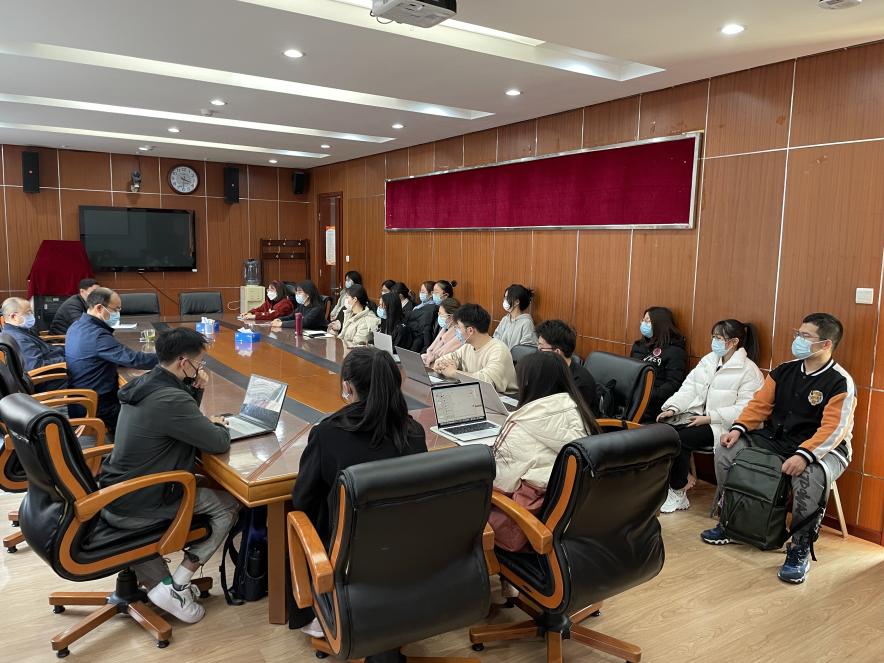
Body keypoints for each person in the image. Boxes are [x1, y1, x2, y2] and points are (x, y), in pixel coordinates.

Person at [290, 347, 427, 655]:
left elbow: (302, 498)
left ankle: (318, 611)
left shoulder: (327, 434)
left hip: (348, 559)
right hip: (409, 556)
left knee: (304, 517)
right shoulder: (414, 432)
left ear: (348, 387)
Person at [701, 313, 855, 585]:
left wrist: (804, 455)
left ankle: (800, 546)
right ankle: (731, 521)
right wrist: (738, 429)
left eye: (805, 336)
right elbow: (759, 406)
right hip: (778, 438)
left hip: (825, 449)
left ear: (825, 344)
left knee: (810, 474)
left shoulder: (840, 381)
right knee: (727, 450)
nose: (798, 339)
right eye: (798, 333)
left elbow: (834, 429)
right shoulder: (784, 370)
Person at [99, 328, 239, 623]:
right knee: (228, 505)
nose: (200, 369)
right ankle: (178, 584)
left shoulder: (147, 382)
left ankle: (165, 580)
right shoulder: (170, 399)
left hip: (117, 491)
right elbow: (217, 442)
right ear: (183, 362)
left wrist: (196, 393)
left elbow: (180, 420)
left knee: (202, 482)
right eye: (199, 363)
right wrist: (219, 426)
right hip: (141, 501)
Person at [489, 351, 600, 551]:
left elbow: (498, 482)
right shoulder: (580, 412)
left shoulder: (521, 422)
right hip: (573, 524)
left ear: (527, 384)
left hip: (526, 528)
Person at [656, 319, 764, 513]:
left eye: (719, 338)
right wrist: (673, 408)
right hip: (697, 415)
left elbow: (746, 409)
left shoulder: (749, 371)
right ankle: (681, 477)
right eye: (713, 337)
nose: (715, 341)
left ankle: (679, 490)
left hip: (723, 425)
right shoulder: (709, 360)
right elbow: (689, 388)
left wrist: (710, 417)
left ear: (734, 342)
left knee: (680, 439)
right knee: (662, 432)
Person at [64, 288, 158, 431]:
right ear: (99, 308)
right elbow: (135, 360)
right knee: (153, 414)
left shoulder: (76, 326)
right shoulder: (97, 335)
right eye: (116, 309)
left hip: (80, 401)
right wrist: (169, 357)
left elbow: (108, 356)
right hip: (97, 408)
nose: (118, 314)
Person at [433, 303, 517, 393]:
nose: (456, 331)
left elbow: (487, 382)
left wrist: (454, 373)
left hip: (501, 397)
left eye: (458, 327)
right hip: (475, 392)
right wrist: (441, 364)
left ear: (470, 330)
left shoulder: (498, 350)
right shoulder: (468, 346)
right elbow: (447, 358)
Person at [630, 307, 688, 422]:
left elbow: (673, 384)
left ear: (659, 324)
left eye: (647, 321)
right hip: (631, 397)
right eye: (643, 320)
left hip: (652, 404)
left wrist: (647, 394)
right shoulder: (639, 345)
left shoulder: (675, 351)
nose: (643, 324)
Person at [535, 319, 599, 416]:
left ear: (557, 352)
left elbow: (569, 417)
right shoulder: (549, 369)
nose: (537, 352)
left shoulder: (581, 382)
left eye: (541, 348)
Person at [1, 297, 66, 390]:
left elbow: (44, 348)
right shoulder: (19, 339)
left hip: (54, 365)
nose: (31, 315)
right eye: (28, 312)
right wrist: (67, 360)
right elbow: (36, 366)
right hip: (48, 380)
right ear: (14, 316)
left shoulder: (20, 330)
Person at [493, 284, 538, 349]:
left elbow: (527, 349)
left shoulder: (526, 323)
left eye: (507, 297)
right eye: (504, 297)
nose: (504, 300)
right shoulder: (505, 319)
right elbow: (496, 339)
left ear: (517, 302)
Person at [422, 297, 463, 366]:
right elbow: (432, 351)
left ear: (451, 317)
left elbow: (444, 357)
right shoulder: (444, 329)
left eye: (441, 314)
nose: (439, 316)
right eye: (438, 313)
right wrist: (425, 357)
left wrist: (429, 359)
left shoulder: (460, 335)